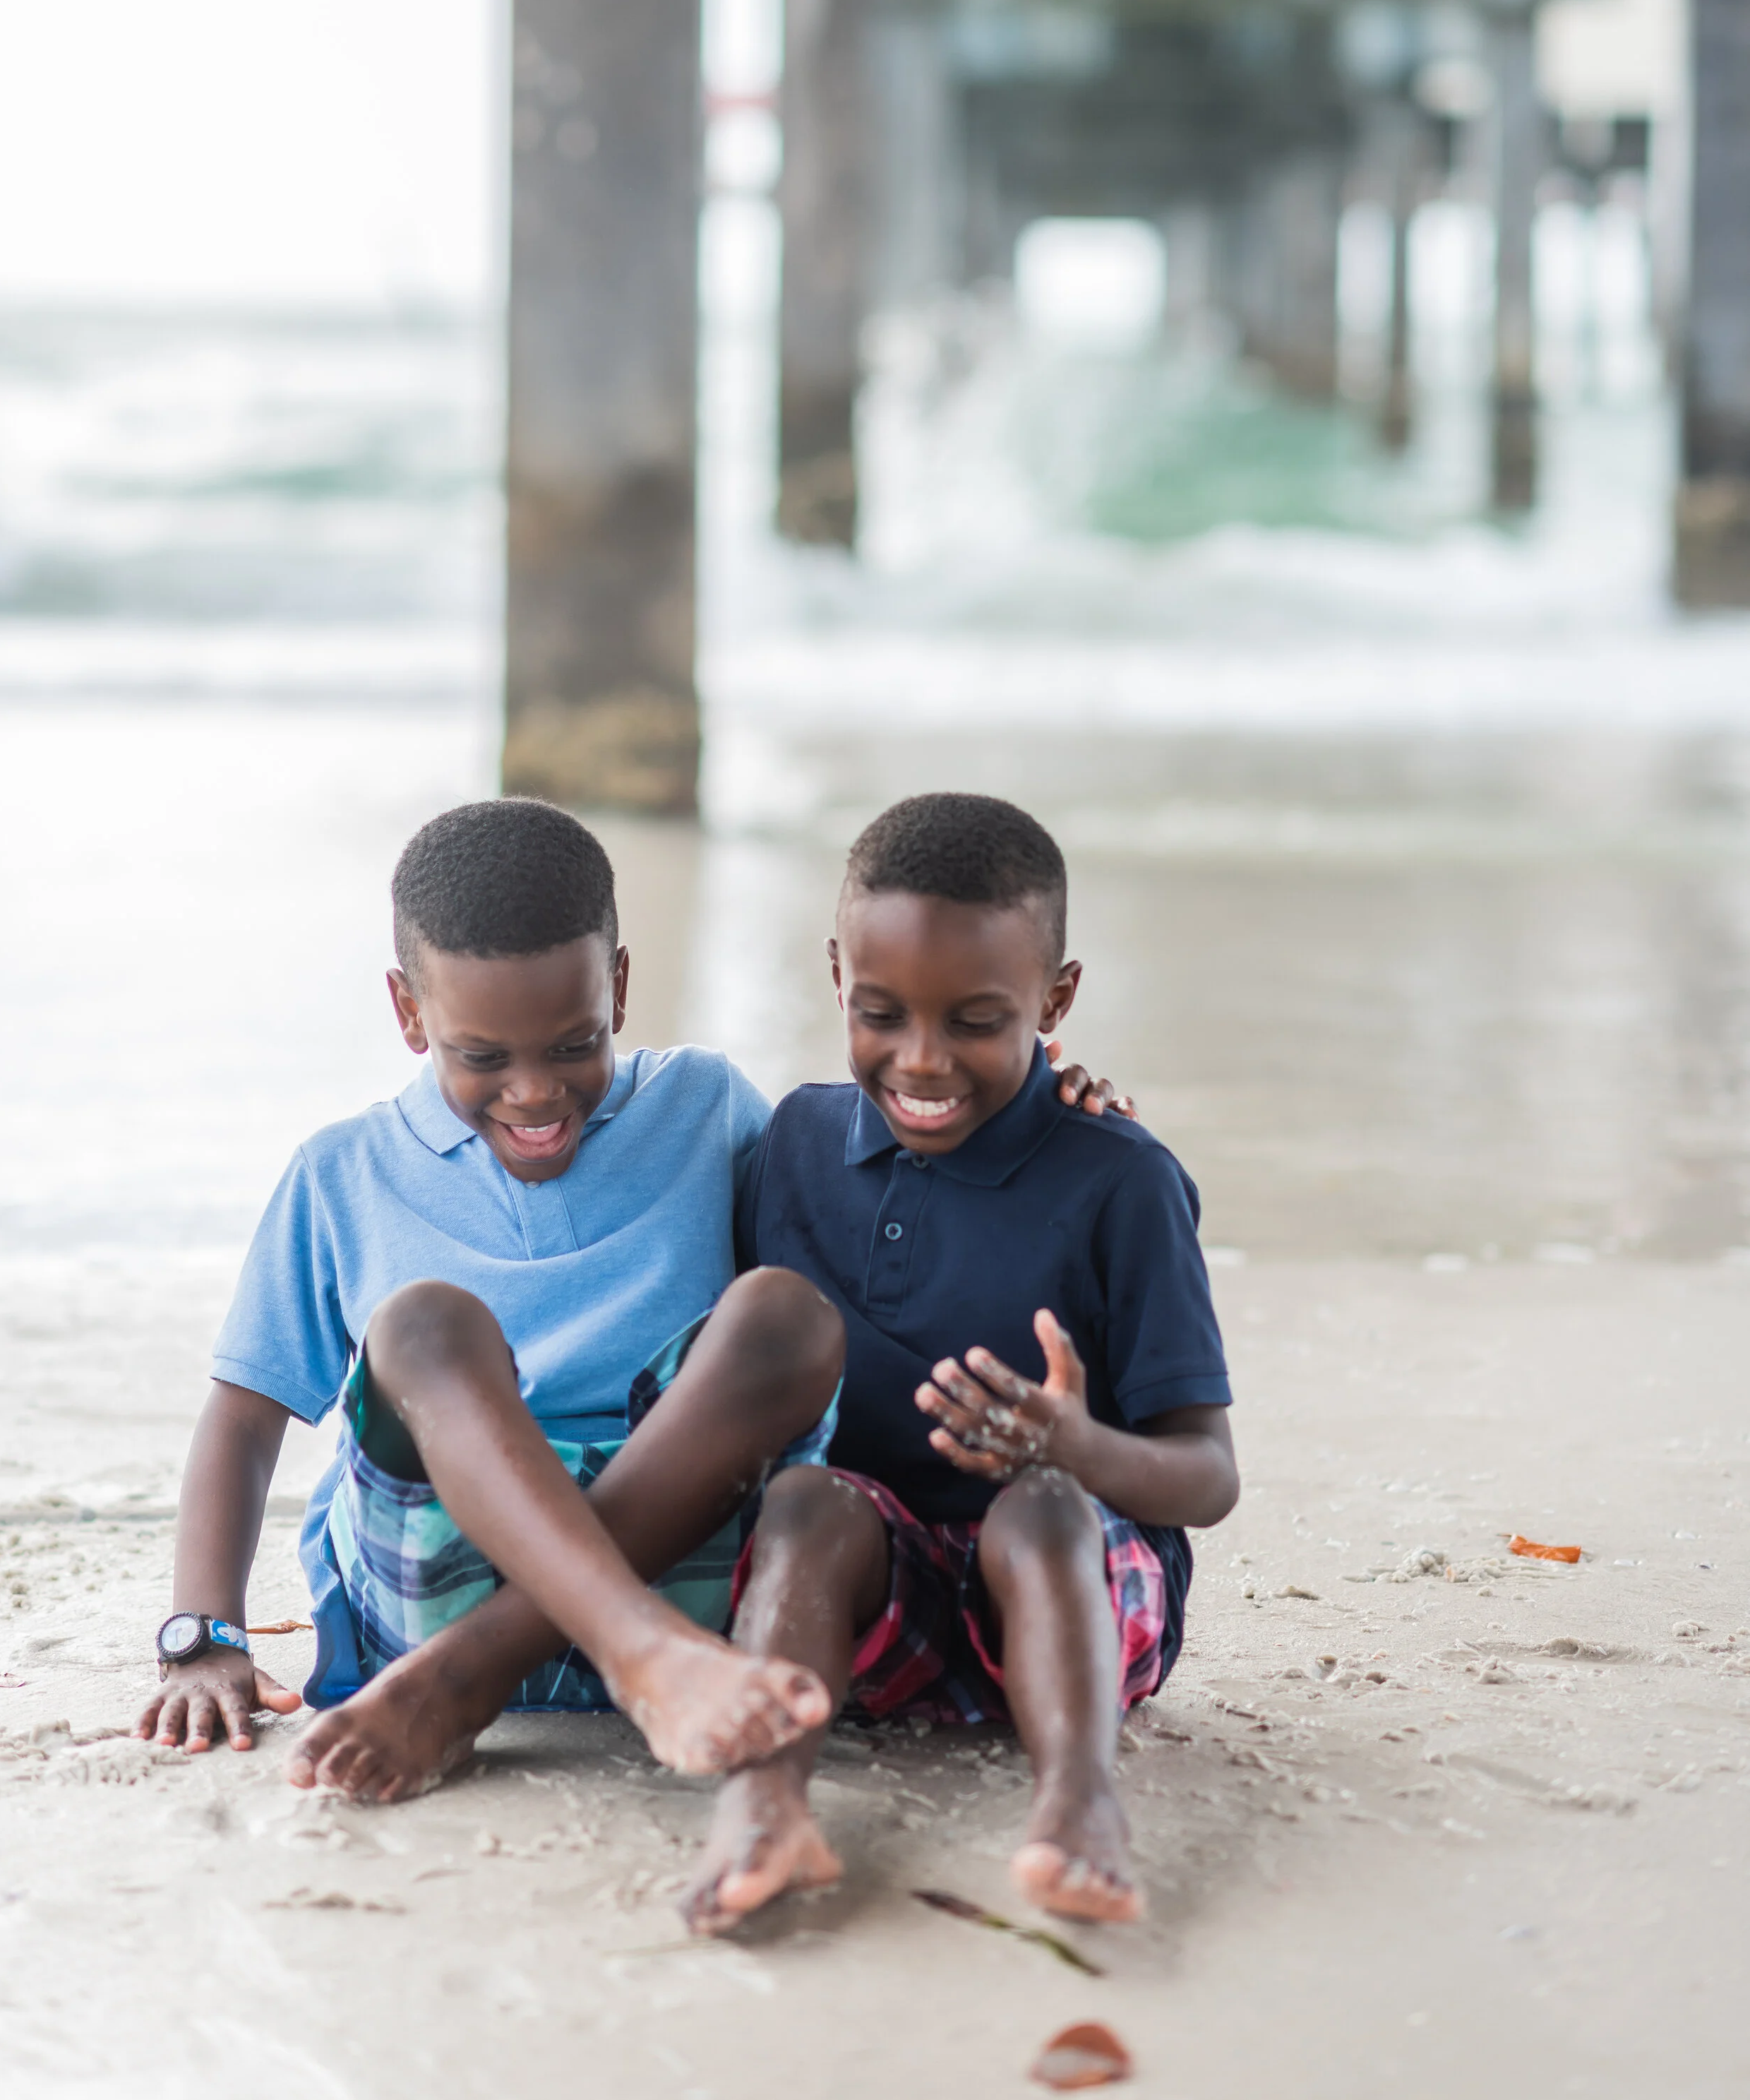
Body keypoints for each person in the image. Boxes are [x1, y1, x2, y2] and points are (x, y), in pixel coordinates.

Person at [135, 796, 1122, 1803]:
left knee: (784, 1310)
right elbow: (242, 1422)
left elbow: (877, 1201)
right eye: (483, 1058)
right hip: (443, 1579)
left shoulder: (704, 1108)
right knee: (427, 1326)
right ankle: (626, 1651)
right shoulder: (341, 1175)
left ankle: (531, 1665)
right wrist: (201, 1637)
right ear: (408, 1012)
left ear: (617, 985)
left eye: (573, 1044)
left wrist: (1036, 1109)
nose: (534, 1093)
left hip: (690, 1566)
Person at [684, 792, 1239, 1937]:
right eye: (882, 1012)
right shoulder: (792, 1145)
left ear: (1058, 999)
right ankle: (766, 1807)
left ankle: (1080, 1807)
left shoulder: (1119, 1181)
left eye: (979, 1021)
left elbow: (1209, 1477)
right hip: (879, 1616)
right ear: (836, 974)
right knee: (804, 1501)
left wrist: (1076, 1445)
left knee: (1036, 1508)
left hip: (1075, 1599)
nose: (923, 1060)